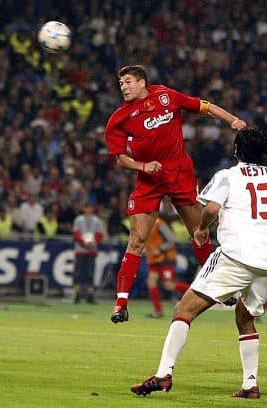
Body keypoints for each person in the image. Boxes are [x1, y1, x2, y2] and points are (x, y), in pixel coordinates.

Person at [130, 127, 267, 399]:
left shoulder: (229, 176)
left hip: (235, 256)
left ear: (236, 151)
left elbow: (210, 208)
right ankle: (250, 384)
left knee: (183, 310)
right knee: (245, 318)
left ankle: (163, 374)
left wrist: (202, 229)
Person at [105, 65, 247, 323]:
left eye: (127, 82)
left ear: (141, 82)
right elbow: (121, 159)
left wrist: (232, 120)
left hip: (179, 173)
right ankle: (121, 304)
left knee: (199, 232)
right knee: (137, 240)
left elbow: (204, 106)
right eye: (121, 84)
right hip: (149, 180)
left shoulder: (166, 96)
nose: (123, 87)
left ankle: (219, 287)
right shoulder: (120, 117)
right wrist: (143, 166)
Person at [145, 214, 189, 318]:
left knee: (169, 285)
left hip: (165, 259)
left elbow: (172, 240)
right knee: (151, 282)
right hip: (154, 260)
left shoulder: (159, 224)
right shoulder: (146, 224)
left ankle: (197, 291)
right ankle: (158, 311)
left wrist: (160, 249)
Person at [72, 203, 104, 304]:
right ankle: (76, 294)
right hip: (81, 250)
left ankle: (90, 294)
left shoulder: (96, 220)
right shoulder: (79, 220)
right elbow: (76, 234)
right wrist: (84, 243)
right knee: (78, 272)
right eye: (87, 208)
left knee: (90, 272)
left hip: (92, 250)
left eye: (90, 207)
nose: (89, 209)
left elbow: (99, 234)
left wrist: (94, 243)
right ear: (84, 209)